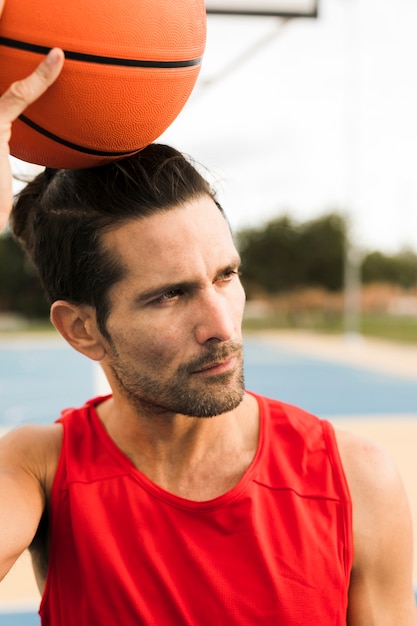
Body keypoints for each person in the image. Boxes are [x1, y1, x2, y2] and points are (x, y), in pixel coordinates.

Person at [0, 50, 416, 626]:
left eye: (227, 276)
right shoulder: (38, 469)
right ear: (82, 329)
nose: (222, 326)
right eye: (169, 295)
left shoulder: (355, 477)